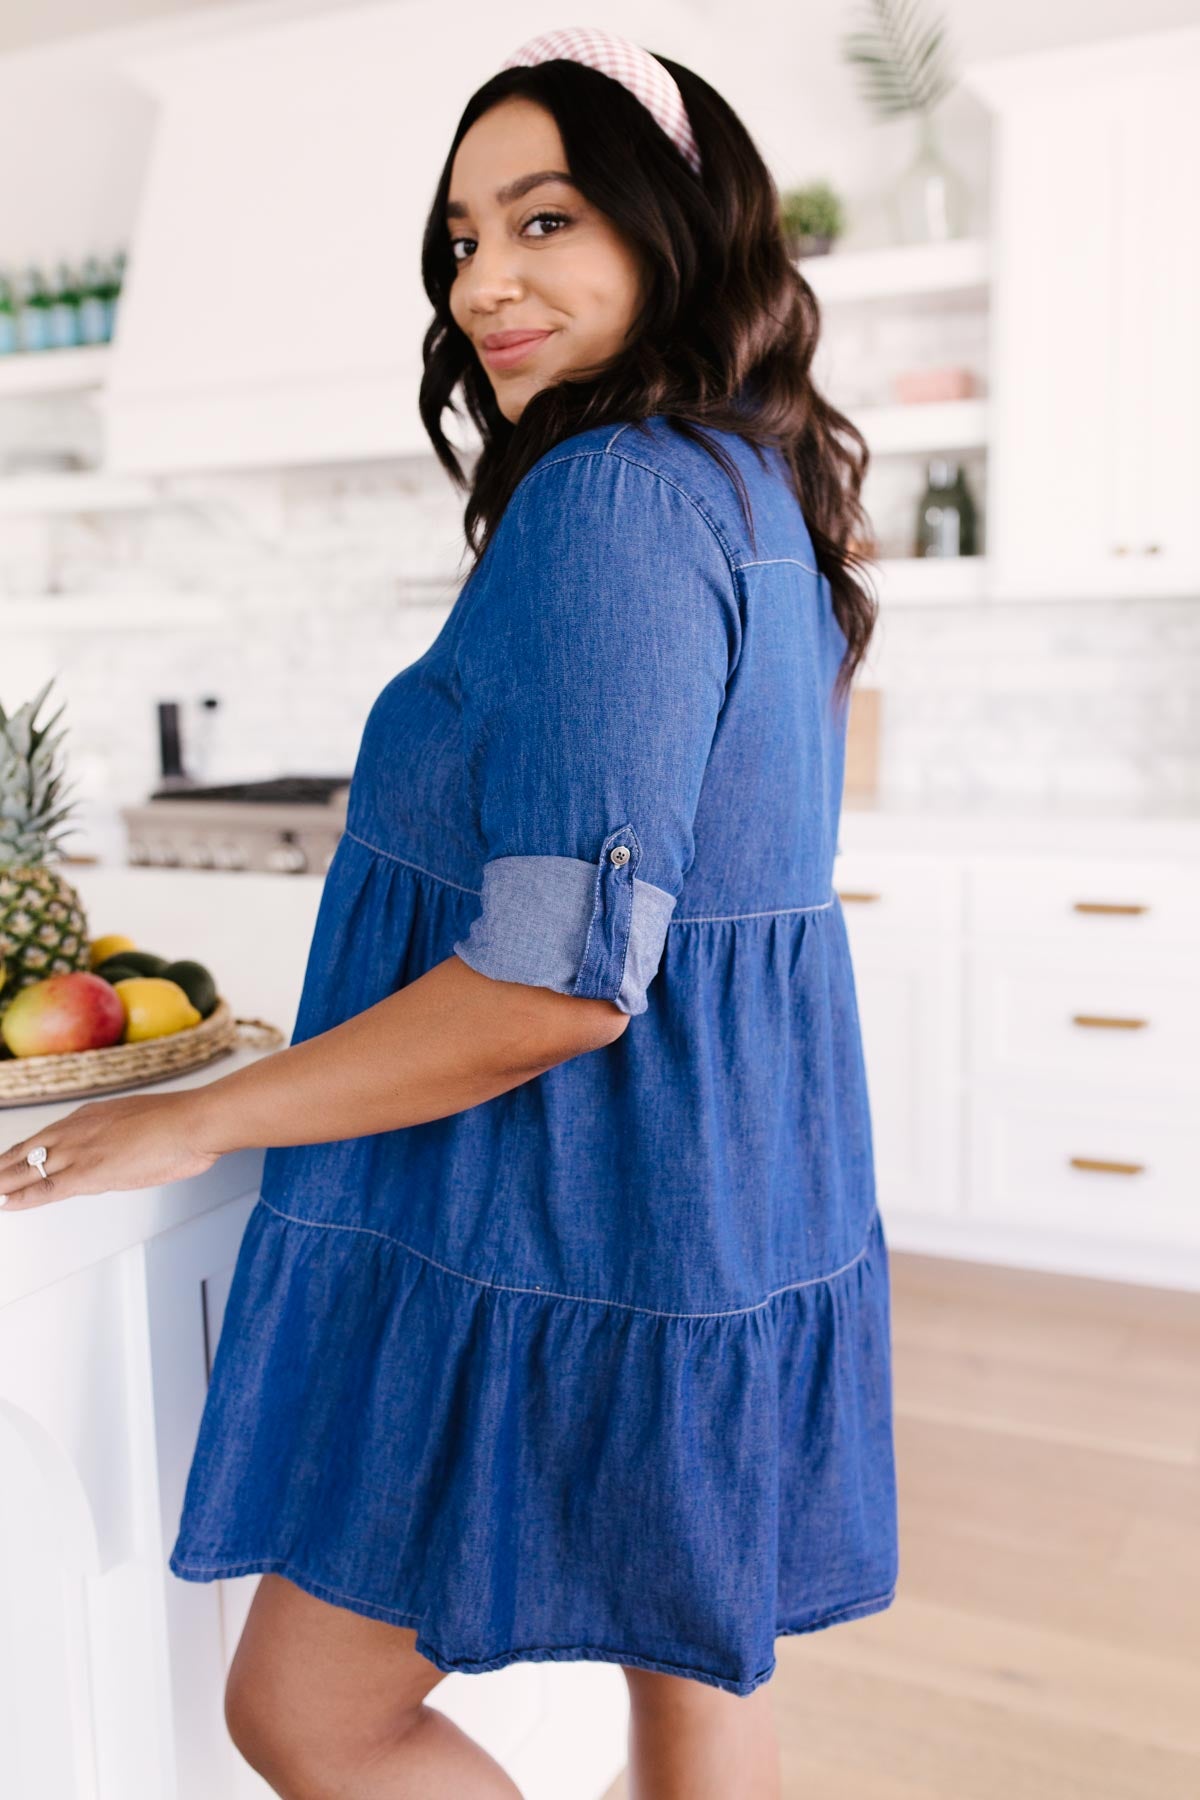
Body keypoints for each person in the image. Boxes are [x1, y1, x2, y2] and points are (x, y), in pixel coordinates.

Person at [0, 27, 897, 1799]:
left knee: (306, 1715)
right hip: (708, 1197)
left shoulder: (616, 497)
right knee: (692, 1661)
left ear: (673, 227)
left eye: (545, 219)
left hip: (566, 1212)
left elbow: (555, 988)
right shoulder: (750, 486)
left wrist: (191, 1118)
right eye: (463, 240)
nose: (488, 280)